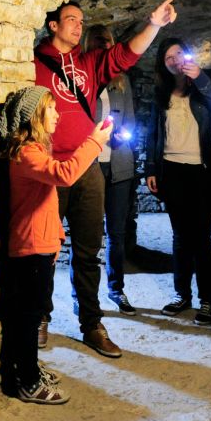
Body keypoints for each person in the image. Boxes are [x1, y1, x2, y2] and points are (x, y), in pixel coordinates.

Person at [34, 0, 176, 358]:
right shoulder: (33, 63)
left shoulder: (88, 63)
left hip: (87, 167)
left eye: (82, 21)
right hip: (49, 169)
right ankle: (39, 316)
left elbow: (126, 54)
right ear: (53, 25)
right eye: (71, 20)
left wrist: (154, 24)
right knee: (45, 250)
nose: (79, 26)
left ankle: (91, 323)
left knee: (87, 250)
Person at [0, 86, 112, 403]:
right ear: (35, 115)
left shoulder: (34, 150)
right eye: (52, 109)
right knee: (28, 316)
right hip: (30, 246)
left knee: (30, 312)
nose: (58, 115)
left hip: (41, 244)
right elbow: (67, 174)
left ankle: (27, 368)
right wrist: (94, 143)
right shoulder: (27, 154)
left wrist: (56, 238)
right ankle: (27, 382)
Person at [145, 38, 211, 327]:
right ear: (163, 63)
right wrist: (151, 167)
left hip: (203, 170)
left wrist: (199, 76)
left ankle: (208, 299)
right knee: (180, 235)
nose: (174, 58)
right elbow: (153, 132)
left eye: (179, 52)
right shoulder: (160, 93)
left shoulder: (206, 82)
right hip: (172, 169)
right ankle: (182, 294)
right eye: (168, 56)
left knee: (201, 236)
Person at [84, 25, 138, 316]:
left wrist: (123, 134)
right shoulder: (81, 79)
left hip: (118, 164)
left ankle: (117, 289)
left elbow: (129, 118)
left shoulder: (122, 81)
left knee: (117, 232)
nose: (103, 46)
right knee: (90, 235)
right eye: (98, 41)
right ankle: (86, 295)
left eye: (108, 41)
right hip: (89, 163)